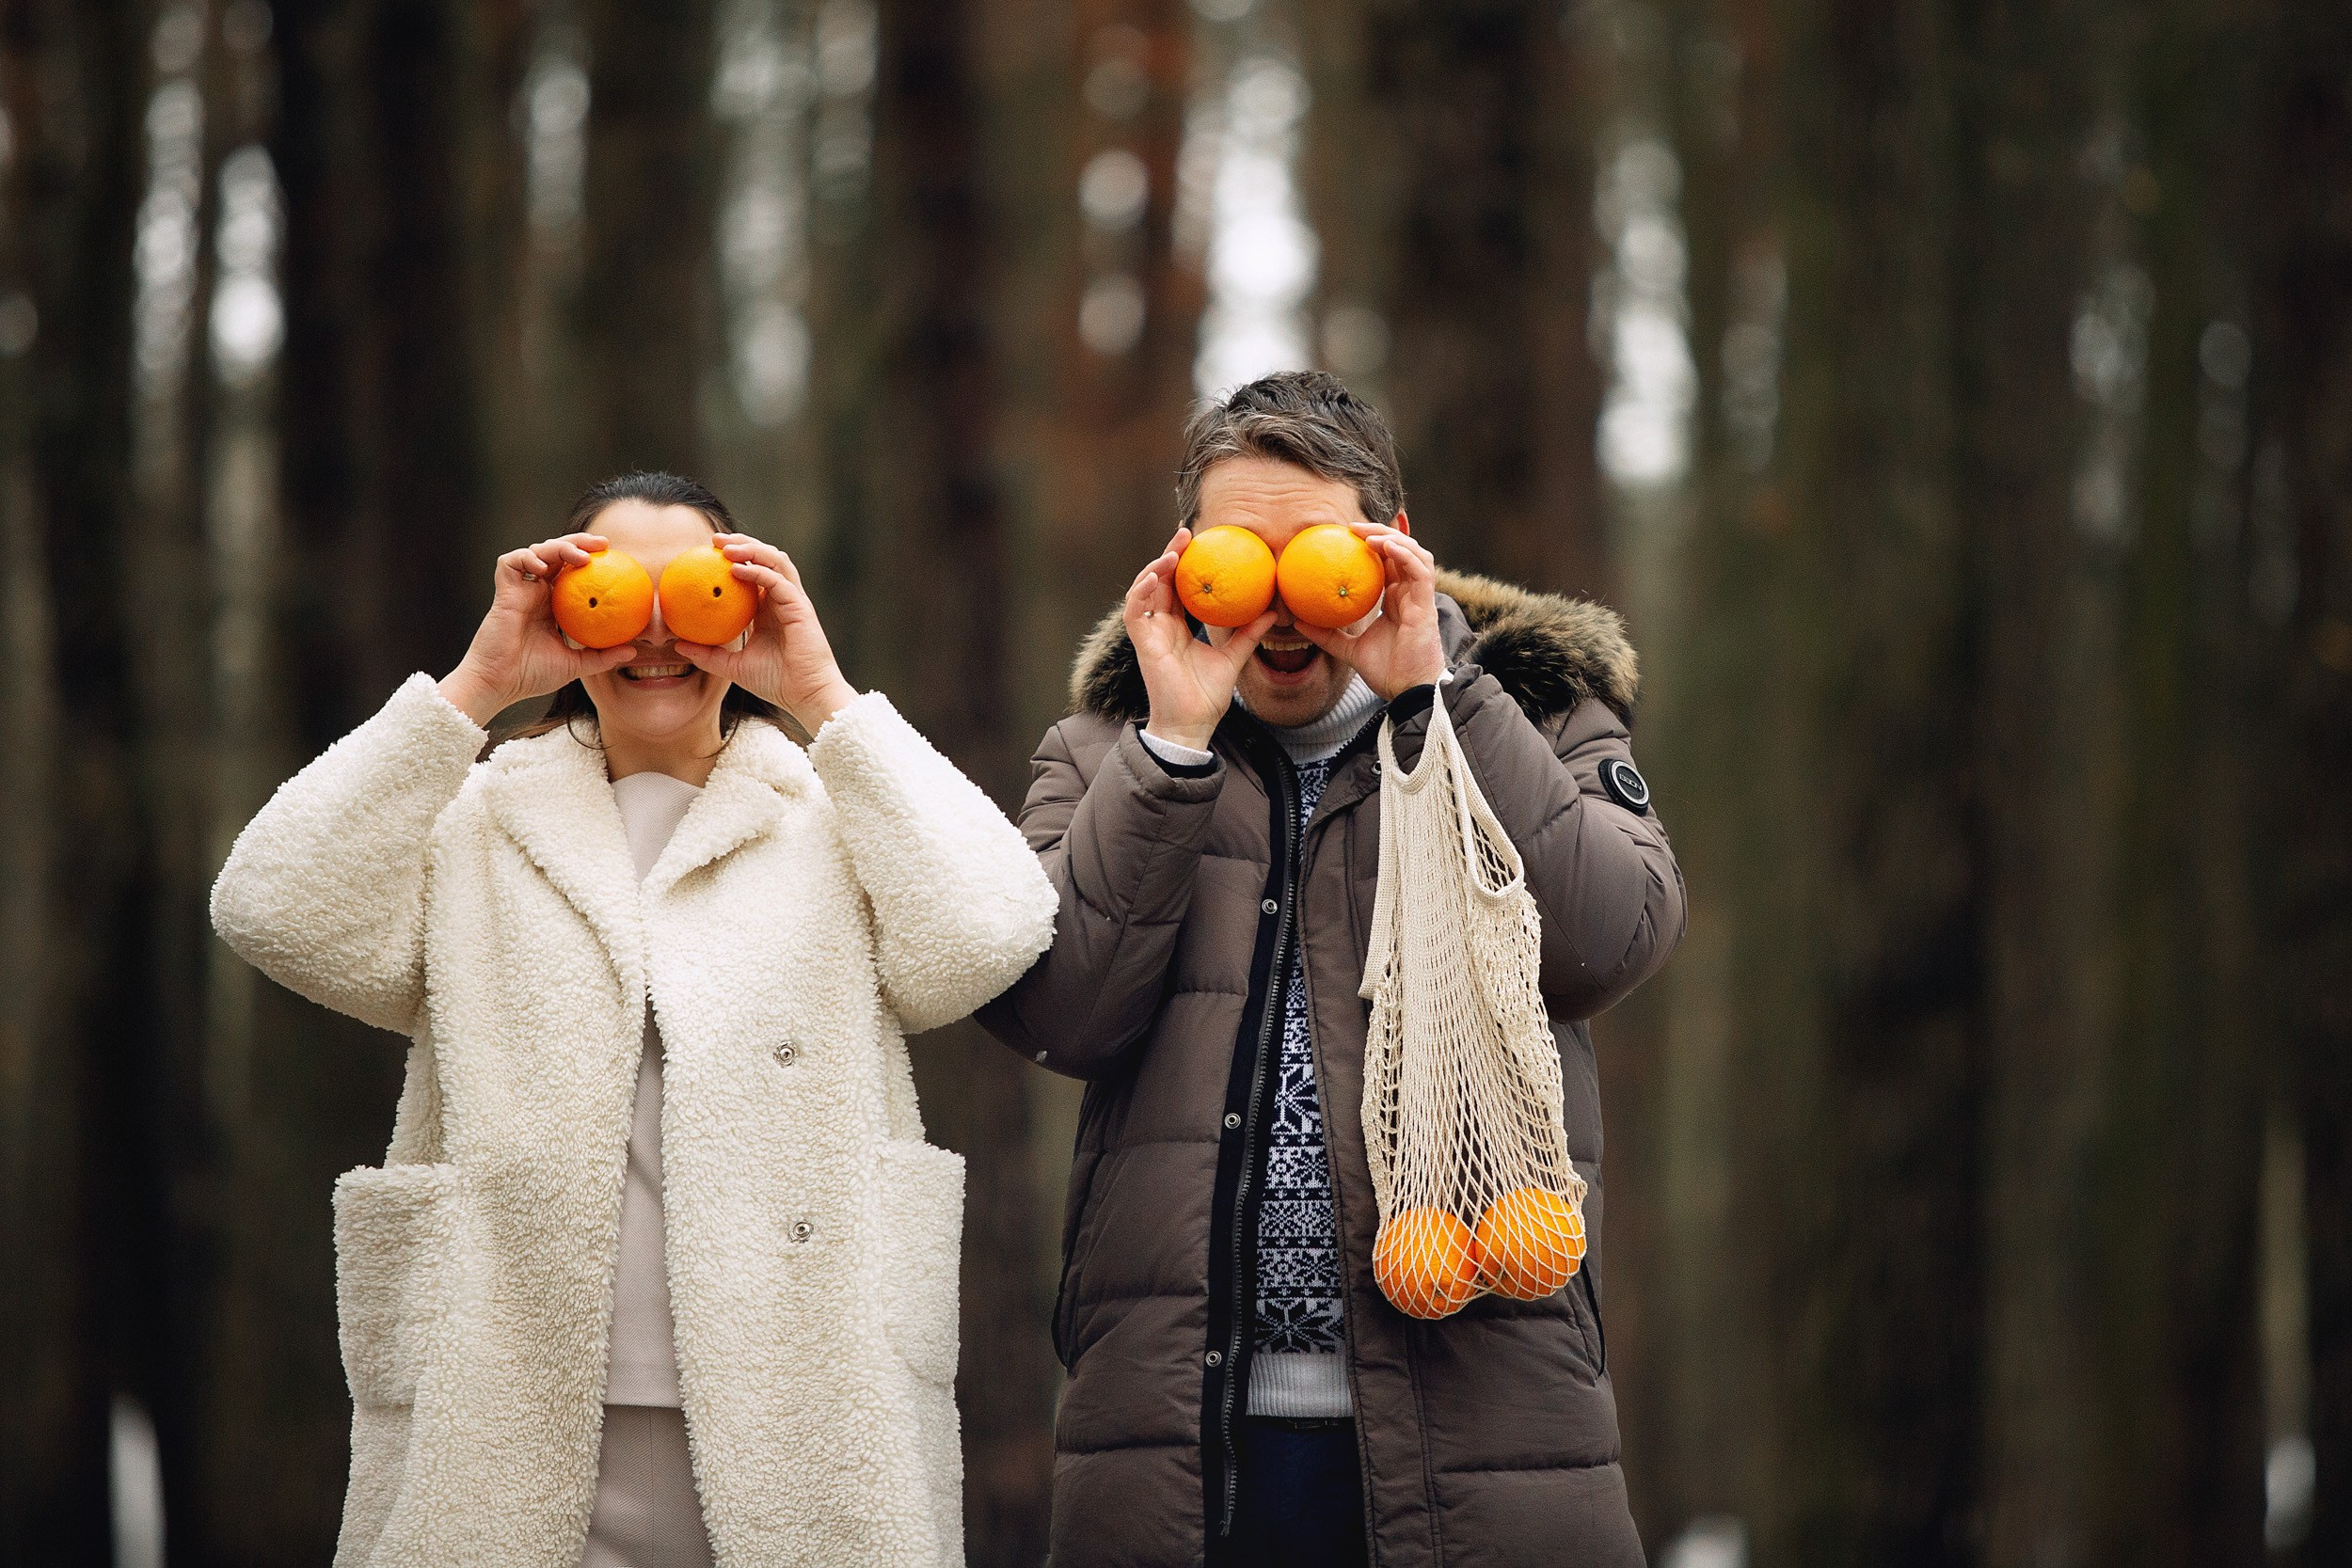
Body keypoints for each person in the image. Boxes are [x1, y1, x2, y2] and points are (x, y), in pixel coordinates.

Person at [211, 471, 1055, 1568]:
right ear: (566, 610)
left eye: (694, 592)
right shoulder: (473, 827)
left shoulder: (833, 822)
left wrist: (823, 694)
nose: (657, 632)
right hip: (508, 1397)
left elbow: (995, 927)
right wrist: (475, 685)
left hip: (805, 1395)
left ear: (743, 605)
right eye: (617, 593)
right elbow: (271, 903)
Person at [978, 372, 1686, 1567]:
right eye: (1238, 561)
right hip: (1177, 1444)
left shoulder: (1536, 710)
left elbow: (1608, 940)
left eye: (1312, 554)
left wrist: (1436, 698)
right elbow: (1061, 1011)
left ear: (1389, 546)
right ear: (1185, 562)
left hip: (1485, 1418)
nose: (1280, 607)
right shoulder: (1103, 748)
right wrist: (1171, 747)